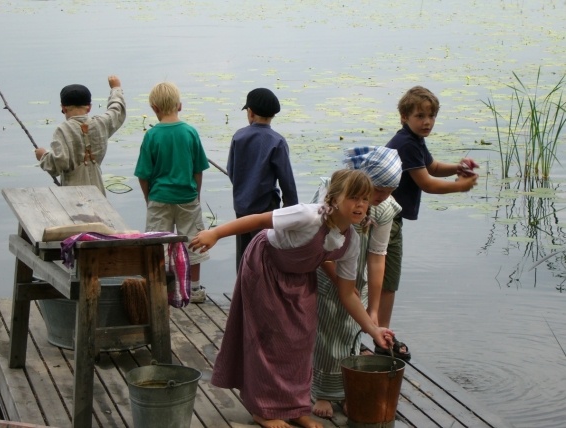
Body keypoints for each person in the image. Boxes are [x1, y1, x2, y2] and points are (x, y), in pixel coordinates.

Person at [189, 169, 394, 428]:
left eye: (365, 199)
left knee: (302, 339)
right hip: (265, 265)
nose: (361, 204)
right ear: (333, 198)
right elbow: (259, 220)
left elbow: (347, 294)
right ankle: (263, 410)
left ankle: (296, 408)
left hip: (300, 276)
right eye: (353, 197)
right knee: (269, 337)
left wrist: (374, 330)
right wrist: (216, 233)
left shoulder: (351, 241)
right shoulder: (308, 215)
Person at [380, 85, 479, 358]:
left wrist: (456, 168)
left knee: (384, 282)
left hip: (388, 219)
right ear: (404, 116)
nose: (427, 122)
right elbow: (427, 183)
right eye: (420, 116)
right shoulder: (407, 144)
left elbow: (432, 167)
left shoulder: (411, 141)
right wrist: (459, 187)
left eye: (431, 116)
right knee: (387, 283)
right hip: (387, 222)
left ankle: (379, 333)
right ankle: (382, 338)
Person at [311, 146, 403, 419]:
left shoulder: (384, 208)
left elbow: (377, 257)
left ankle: (346, 390)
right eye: (378, 191)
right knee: (328, 328)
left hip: (356, 271)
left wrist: (373, 310)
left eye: (387, 193)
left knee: (353, 329)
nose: (379, 198)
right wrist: (339, 281)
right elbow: (317, 244)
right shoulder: (332, 191)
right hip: (327, 265)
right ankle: (323, 392)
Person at [134, 81, 210, 303]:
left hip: (159, 197)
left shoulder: (152, 136)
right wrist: (197, 195)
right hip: (188, 197)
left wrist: (149, 198)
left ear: (154, 108)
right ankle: (194, 289)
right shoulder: (190, 132)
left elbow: (143, 174)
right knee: (193, 241)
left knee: (158, 243)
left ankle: (158, 287)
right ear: (180, 106)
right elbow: (198, 170)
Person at [227, 88, 298, 271]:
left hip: (241, 207)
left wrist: (243, 187)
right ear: (273, 115)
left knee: (243, 256)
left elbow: (231, 171)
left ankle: (242, 293)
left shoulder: (238, 137)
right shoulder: (277, 141)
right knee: (265, 255)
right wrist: (291, 208)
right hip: (266, 209)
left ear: (250, 113)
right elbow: (286, 181)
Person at [35, 75, 126, 195]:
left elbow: (58, 164)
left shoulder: (63, 130)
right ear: (89, 107)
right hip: (97, 190)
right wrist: (116, 88)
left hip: (73, 194)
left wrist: (43, 156)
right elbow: (117, 110)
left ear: (63, 108)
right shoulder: (101, 123)